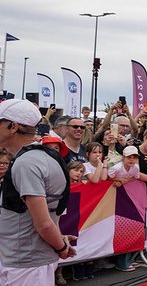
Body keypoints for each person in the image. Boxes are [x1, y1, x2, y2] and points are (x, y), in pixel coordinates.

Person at [0, 99, 76, 285]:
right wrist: (59, 241)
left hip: (24, 264)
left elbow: (43, 223)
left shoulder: (26, 163)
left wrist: (61, 246)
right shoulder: (43, 157)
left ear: (12, 126)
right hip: (27, 260)